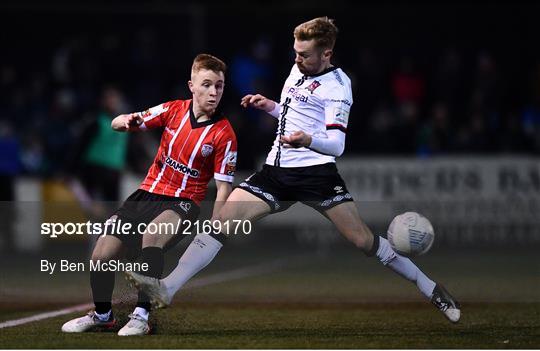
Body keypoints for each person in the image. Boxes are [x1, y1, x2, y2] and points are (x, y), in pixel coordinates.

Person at [127, 17, 461, 324]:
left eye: (304, 54)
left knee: (362, 240)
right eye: (295, 52)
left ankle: (429, 287)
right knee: (221, 224)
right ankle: (167, 289)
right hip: (276, 171)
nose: (297, 58)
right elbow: (295, 112)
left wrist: (307, 140)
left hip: (316, 176)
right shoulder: (298, 68)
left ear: (326, 53)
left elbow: (336, 145)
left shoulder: (338, 87)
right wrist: (268, 105)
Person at [61, 53, 238, 336]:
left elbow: (224, 186)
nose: (214, 92)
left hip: (183, 203)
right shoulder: (172, 110)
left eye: (219, 85)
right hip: (146, 194)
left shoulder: (224, 134)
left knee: (152, 236)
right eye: (206, 84)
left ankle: (141, 316)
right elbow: (121, 122)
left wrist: (217, 223)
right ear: (191, 85)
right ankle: (103, 315)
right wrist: (124, 121)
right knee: (101, 255)